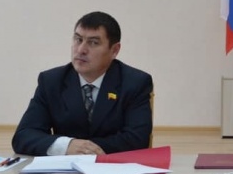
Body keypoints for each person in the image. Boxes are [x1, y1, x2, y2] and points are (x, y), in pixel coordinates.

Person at [12, 11, 153, 156]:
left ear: (114, 50)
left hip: (113, 168)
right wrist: (66, 146)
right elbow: (23, 136)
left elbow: (138, 139)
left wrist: (84, 149)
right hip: (65, 168)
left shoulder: (135, 83)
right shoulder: (51, 81)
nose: (81, 50)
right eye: (78, 39)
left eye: (93, 43)